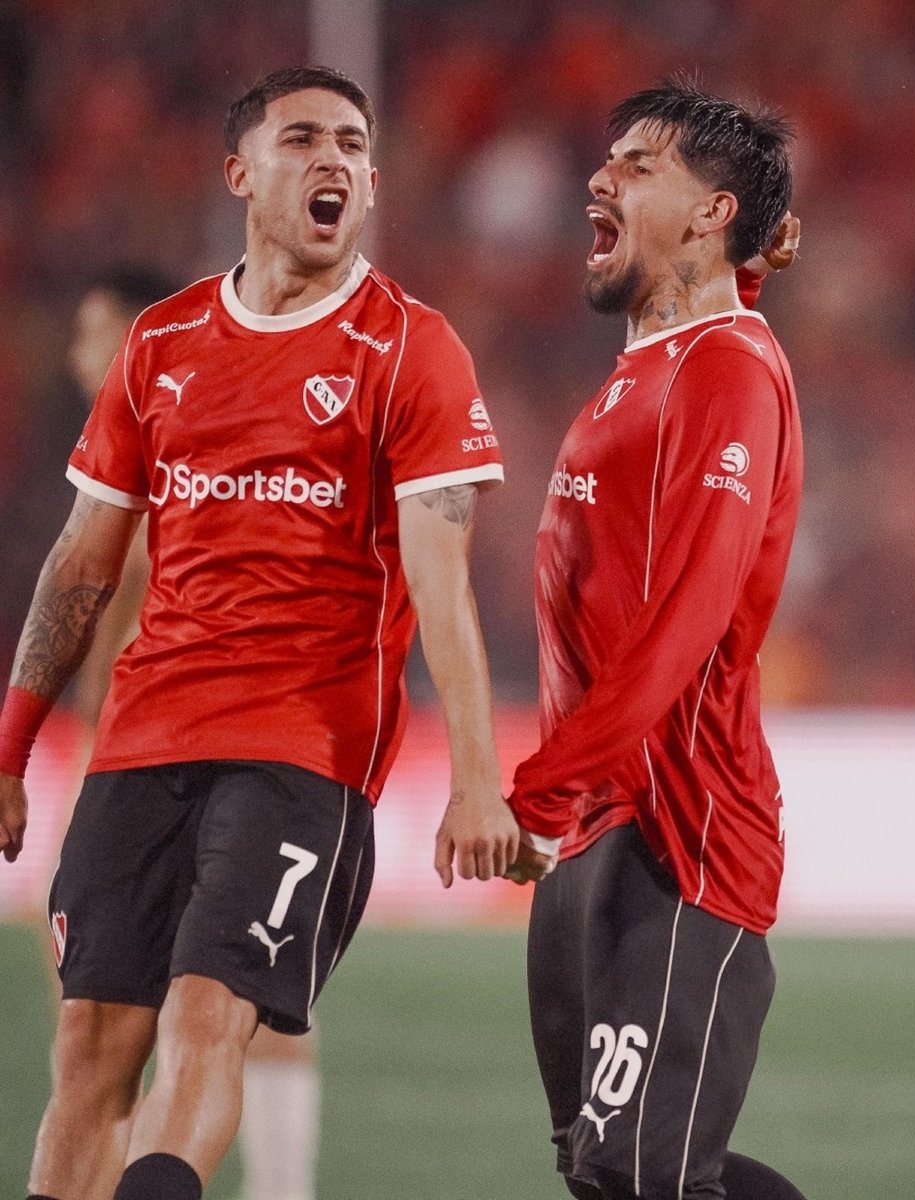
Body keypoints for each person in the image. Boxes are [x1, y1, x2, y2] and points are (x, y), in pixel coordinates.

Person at [0, 65, 519, 1200]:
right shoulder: (161, 344)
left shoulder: (410, 348)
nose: (333, 159)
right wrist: (11, 748)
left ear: (373, 183)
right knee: (89, 1047)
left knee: (208, 1011)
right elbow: (79, 566)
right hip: (140, 743)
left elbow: (443, 581)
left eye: (351, 144)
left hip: (302, 751)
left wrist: (478, 782)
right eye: (302, 139)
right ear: (241, 172)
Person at [503, 79, 808, 1200]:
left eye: (638, 165)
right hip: (597, 832)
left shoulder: (726, 368)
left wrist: (540, 792)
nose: (601, 177)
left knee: (640, 1175)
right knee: (613, 1169)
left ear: (709, 212)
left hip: (679, 832)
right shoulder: (642, 372)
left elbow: (690, 616)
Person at [61, 268, 331, 1200]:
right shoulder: (139, 452)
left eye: (97, 331)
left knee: (188, 1013)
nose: (80, 353)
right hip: (143, 761)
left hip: (187, 758)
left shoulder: (175, 463)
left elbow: (116, 615)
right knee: (184, 1015)